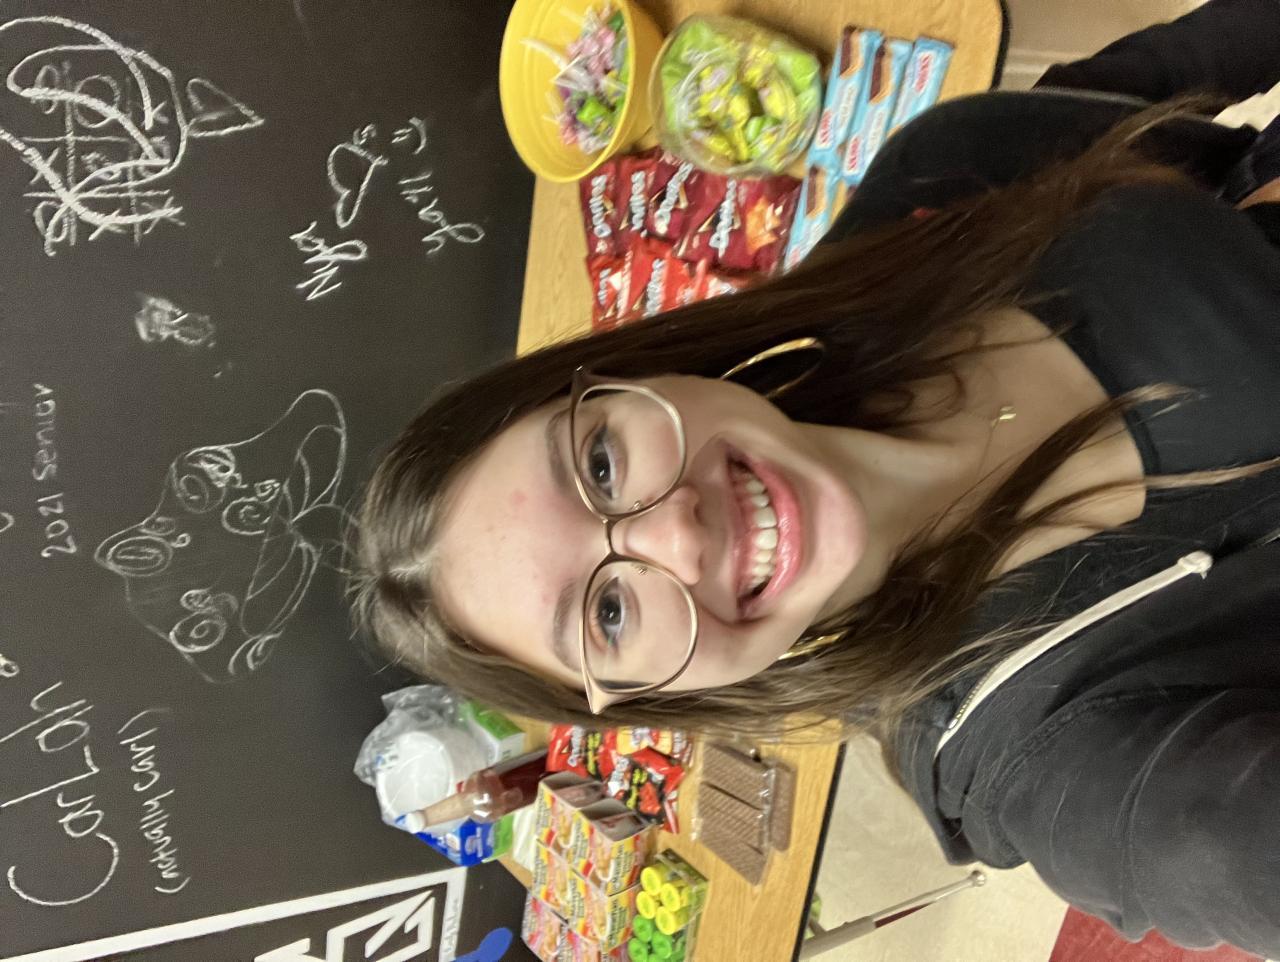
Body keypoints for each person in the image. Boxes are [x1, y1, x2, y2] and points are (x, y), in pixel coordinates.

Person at [353, 0, 1280, 955]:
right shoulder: (1041, 754)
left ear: (630, 374)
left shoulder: (926, 199)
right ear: (637, 696)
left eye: (599, 463)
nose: (676, 534)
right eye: (611, 613)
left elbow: (1159, 75)